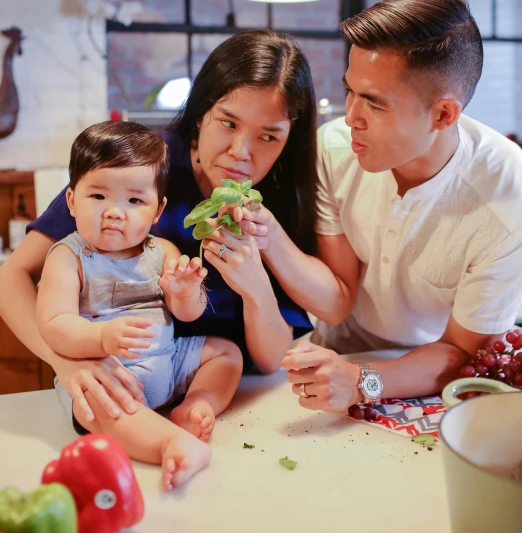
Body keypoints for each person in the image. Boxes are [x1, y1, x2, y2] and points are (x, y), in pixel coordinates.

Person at [219, 0, 522, 413]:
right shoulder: (335, 147)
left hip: (423, 376)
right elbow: (339, 293)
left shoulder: (508, 198)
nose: (349, 117)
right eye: (350, 91)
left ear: (443, 115)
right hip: (324, 356)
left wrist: (365, 381)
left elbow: (463, 352)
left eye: (374, 104)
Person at [0, 30, 316, 425]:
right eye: (228, 123)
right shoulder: (139, 165)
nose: (241, 153)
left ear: (290, 140)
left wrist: (255, 284)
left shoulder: (277, 202)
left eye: (269, 136)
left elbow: (271, 358)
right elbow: (11, 275)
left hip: (229, 401)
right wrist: (65, 361)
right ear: (202, 112)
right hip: (116, 384)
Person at [36, 120, 246, 489]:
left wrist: (184, 292)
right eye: (98, 196)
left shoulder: (161, 251)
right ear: (71, 200)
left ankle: (196, 405)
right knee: (98, 408)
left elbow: (189, 314)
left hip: (169, 359)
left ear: (157, 210)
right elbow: (53, 323)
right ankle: (169, 443)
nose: (115, 211)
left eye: (134, 200)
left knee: (226, 353)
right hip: (108, 372)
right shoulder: (68, 257)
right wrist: (99, 338)